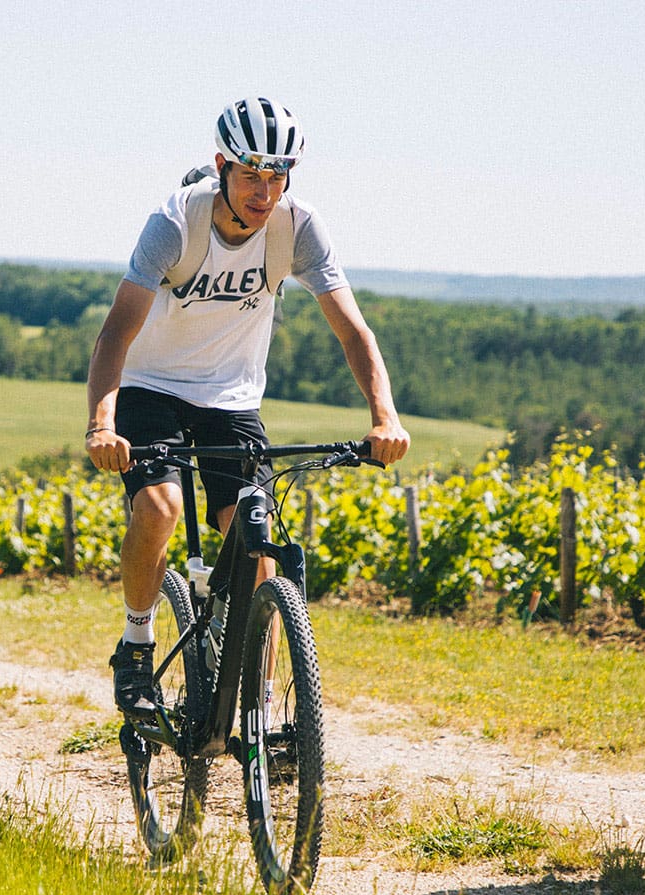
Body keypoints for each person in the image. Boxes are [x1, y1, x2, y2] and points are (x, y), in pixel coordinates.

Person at [84, 97, 410, 718]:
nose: (265, 192)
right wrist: (102, 424)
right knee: (160, 507)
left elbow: (353, 333)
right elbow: (116, 334)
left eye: (278, 176)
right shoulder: (175, 223)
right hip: (152, 386)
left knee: (254, 535)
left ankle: (257, 702)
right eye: (252, 174)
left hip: (231, 395)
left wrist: (384, 417)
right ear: (222, 166)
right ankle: (135, 643)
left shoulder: (299, 227)